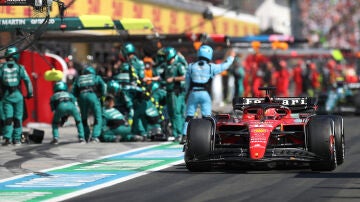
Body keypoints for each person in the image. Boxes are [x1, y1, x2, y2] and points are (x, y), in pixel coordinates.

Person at [182, 45, 235, 144]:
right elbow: (223, 66)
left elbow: (187, 83)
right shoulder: (211, 67)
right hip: (205, 93)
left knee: (189, 115)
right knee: (207, 116)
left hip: (193, 93)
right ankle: (207, 135)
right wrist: (231, 58)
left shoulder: (191, 66)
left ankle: (184, 136)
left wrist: (186, 94)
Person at [0, 46, 33, 146]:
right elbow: (27, 81)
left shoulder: (1, 68)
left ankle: (7, 138)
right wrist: (30, 93)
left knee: (8, 118)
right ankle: (17, 139)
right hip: (18, 96)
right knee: (18, 118)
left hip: (6, 97)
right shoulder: (20, 67)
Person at [72, 66, 107, 143]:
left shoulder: (79, 78)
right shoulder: (96, 77)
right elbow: (104, 87)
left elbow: (74, 91)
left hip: (81, 96)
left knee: (83, 118)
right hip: (92, 95)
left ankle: (84, 136)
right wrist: (101, 96)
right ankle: (95, 137)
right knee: (98, 117)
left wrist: (76, 99)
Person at [163, 46, 187, 142]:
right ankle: (175, 133)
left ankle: (179, 133)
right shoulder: (167, 66)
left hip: (176, 92)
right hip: (169, 91)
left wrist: (173, 79)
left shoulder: (178, 65)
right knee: (171, 113)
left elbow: (184, 76)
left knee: (177, 112)